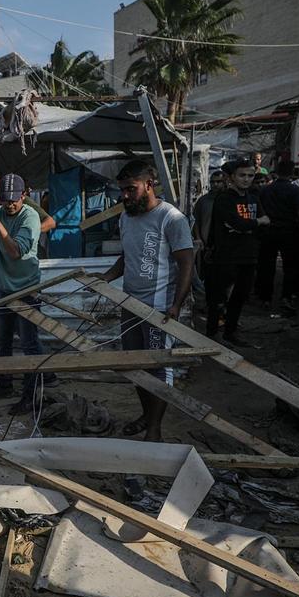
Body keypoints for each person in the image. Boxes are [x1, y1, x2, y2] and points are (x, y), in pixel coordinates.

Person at [99, 160, 194, 441]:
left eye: (131, 189)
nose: (125, 196)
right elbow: (127, 255)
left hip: (159, 307)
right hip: (131, 304)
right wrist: (105, 278)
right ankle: (146, 415)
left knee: (159, 365)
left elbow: (186, 263)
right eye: (122, 190)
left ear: (149, 185)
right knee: (135, 365)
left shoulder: (172, 218)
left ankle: (155, 428)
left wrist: (176, 305)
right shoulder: (126, 218)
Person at [0, 174, 49, 414]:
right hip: (3, 287)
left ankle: (31, 395)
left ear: (24, 196)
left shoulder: (30, 217)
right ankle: (4, 384)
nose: (10, 205)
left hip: (26, 290)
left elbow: (15, 252)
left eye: (14, 200)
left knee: (29, 343)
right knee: (2, 341)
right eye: (5, 201)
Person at [205, 159, 271, 345]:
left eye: (250, 176)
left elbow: (264, 225)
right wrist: (255, 223)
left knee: (240, 296)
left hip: (248, 255)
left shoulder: (253, 198)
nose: (246, 179)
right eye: (242, 175)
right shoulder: (224, 198)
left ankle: (230, 332)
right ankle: (212, 333)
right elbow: (239, 223)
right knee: (219, 297)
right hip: (226, 255)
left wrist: (248, 226)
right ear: (232, 177)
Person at [255, 158, 299, 312]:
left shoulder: (266, 189)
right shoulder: (295, 190)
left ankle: (265, 298)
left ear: (276, 172)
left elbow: (260, 209)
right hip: (289, 233)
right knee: (290, 266)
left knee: (267, 266)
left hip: (269, 231)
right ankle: (286, 297)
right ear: (292, 172)